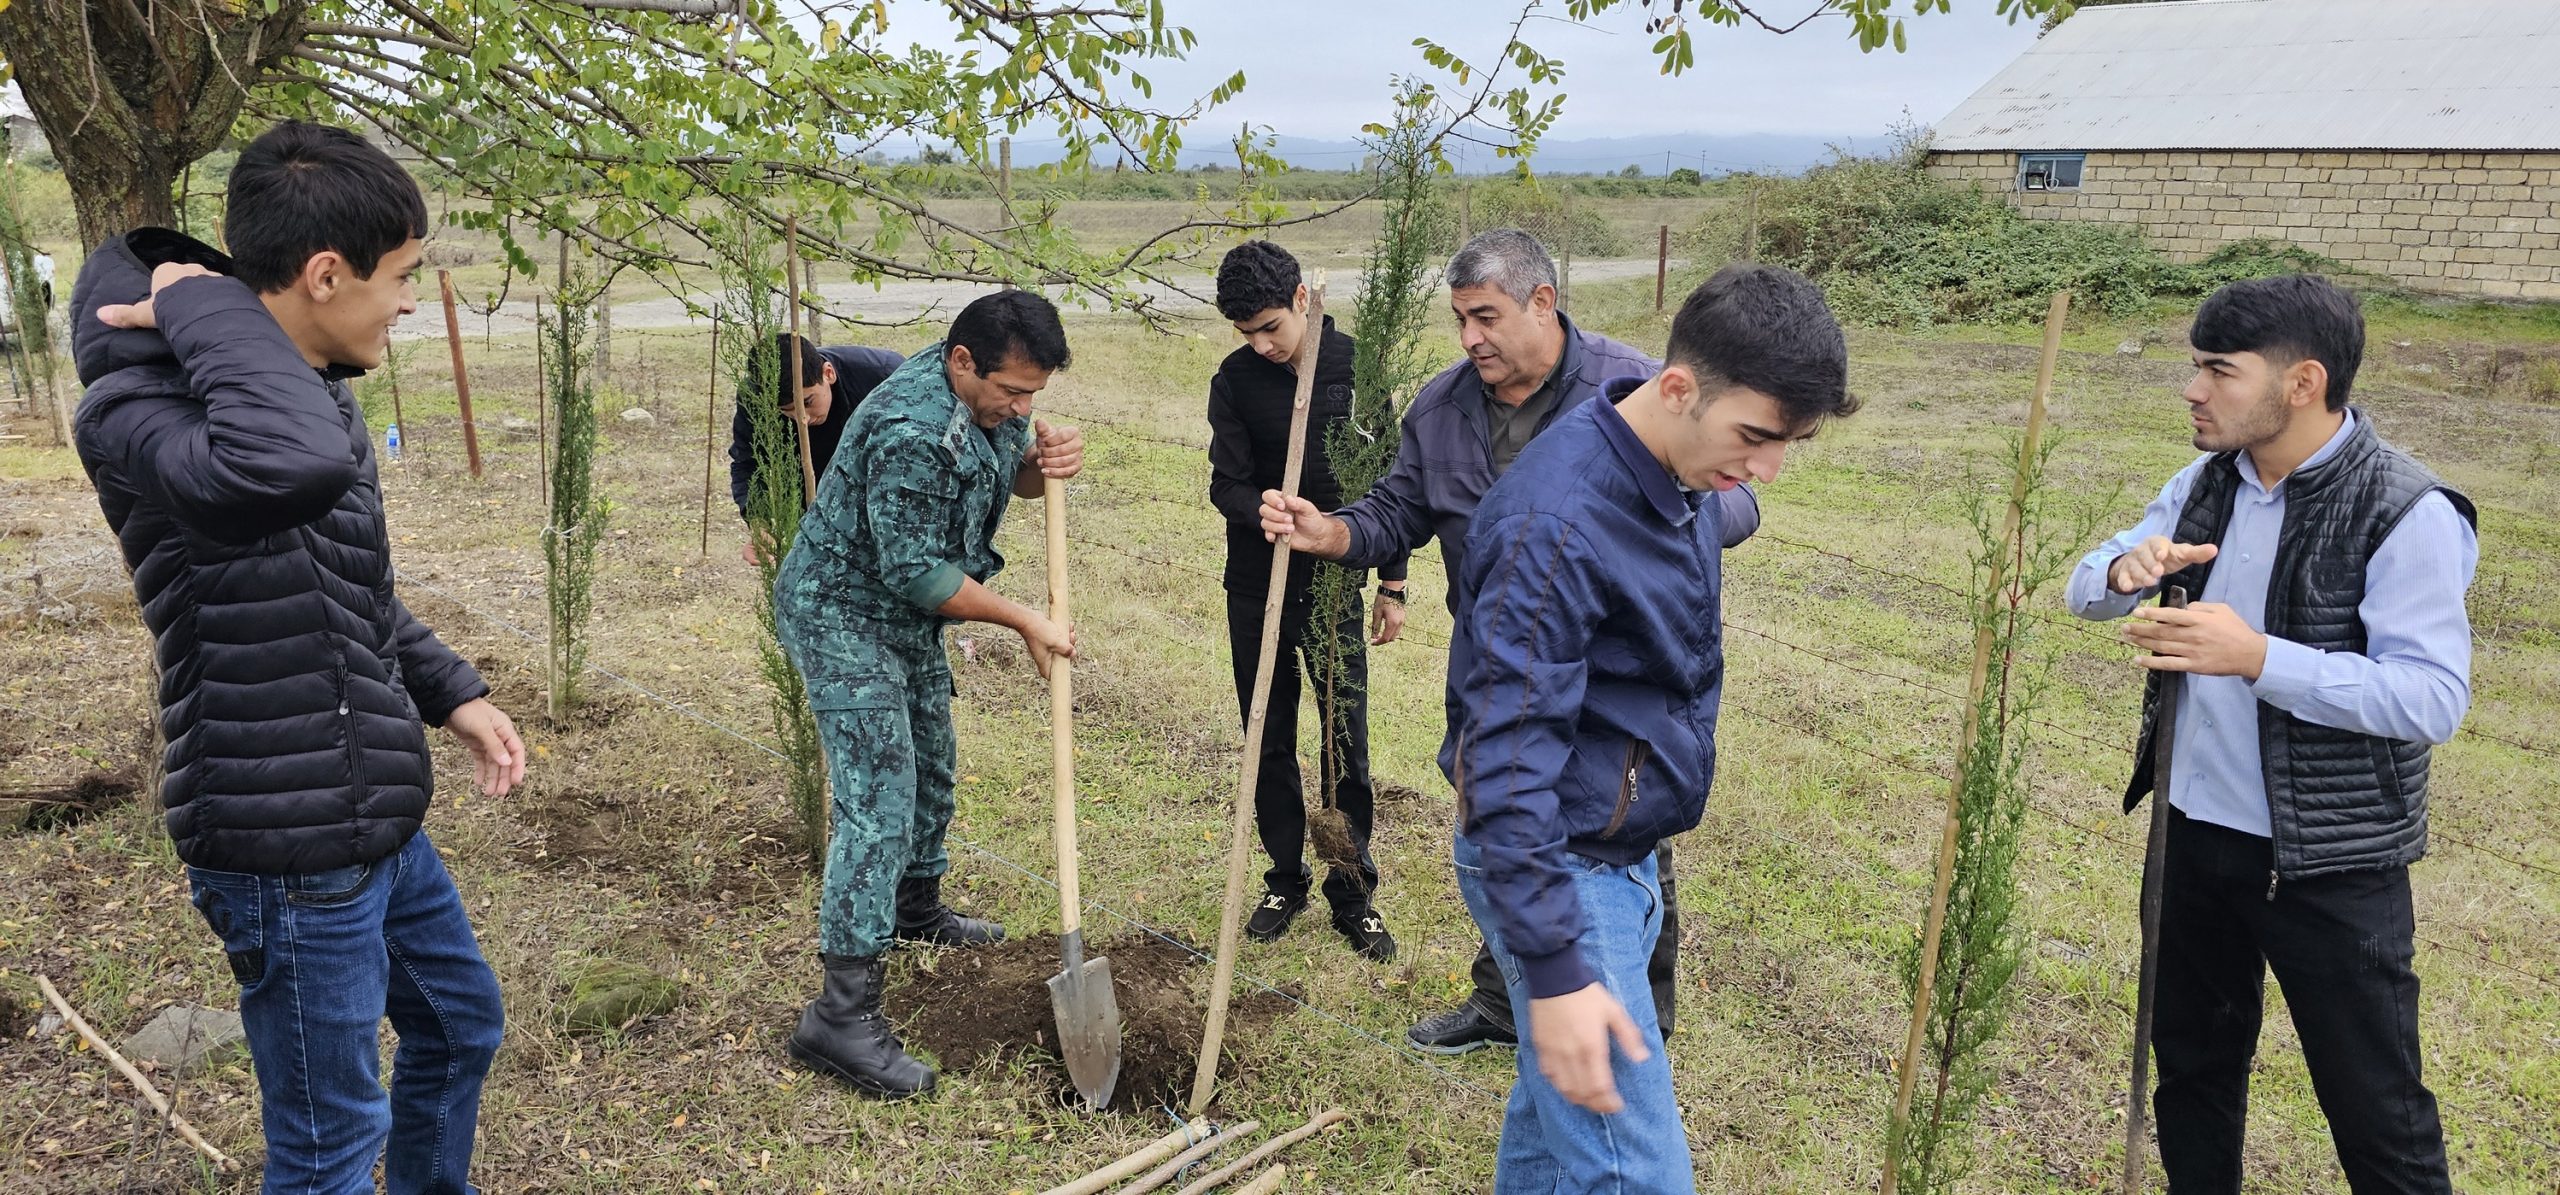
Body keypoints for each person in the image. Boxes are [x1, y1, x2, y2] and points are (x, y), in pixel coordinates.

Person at [72, 119, 526, 1194]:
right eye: (403, 275)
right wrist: (199, 301)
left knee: (461, 1027)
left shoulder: (301, 390)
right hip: (281, 841)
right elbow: (292, 468)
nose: (411, 301)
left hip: (366, 805)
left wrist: (450, 691)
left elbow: (343, 589)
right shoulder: (141, 410)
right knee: (328, 1143)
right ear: (326, 273)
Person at [1258, 229, 1760, 1054]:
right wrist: (1332, 533)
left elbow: (1732, 498)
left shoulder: (1632, 387)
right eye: (1459, 319)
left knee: (1624, 844)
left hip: (1617, 685)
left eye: (1484, 317)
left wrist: (1647, 532)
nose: (1469, 339)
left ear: (1542, 302)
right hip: (1505, 664)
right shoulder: (1442, 410)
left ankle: (1639, 1031)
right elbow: (1397, 513)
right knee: (1505, 829)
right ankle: (1506, 1004)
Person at [2068, 274, 2473, 1194]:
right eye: (2194, 366)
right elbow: (2087, 583)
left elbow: (2432, 697)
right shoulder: (2205, 482)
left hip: (2331, 862)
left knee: (2377, 1112)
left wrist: (2258, 657)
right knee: (2195, 1077)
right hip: (2193, 835)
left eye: (2219, 370)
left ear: (2302, 383)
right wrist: (2126, 569)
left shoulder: (2408, 510)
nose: (2193, 390)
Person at [1456, 264, 1853, 1190]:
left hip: (1620, 851)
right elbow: (1506, 769)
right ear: (1677, 389)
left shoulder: (1672, 476)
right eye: (1756, 436)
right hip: (1559, 861)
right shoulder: (1553, 524)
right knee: (1638, 1174)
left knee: (1556, 1128)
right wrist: (1554, 969)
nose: (1766, 470)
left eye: (1789, 442)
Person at [773, 288, 1084, 1099]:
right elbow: (915, 571)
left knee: (932, 764)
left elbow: (997, 473)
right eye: (1012, 391)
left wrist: (1036, 464)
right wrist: (1023, 620)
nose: (1020, 406)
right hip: (843, 608)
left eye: (1033, 396)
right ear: (960, 361)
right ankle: (840, 1016)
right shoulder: (912, 428)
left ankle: (916, 907)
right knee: (880, 796)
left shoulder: (985, 400)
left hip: (901, 613)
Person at [1206, 240, 1409, 961]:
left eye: (1270, 327)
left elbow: (1391, 483)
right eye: (1246, 334)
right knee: (1268, 731)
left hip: (1333, 585)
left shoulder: (1355, 368)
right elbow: (1222, 483)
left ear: (1301, 298)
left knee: (1343, 737)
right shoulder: (1233, 381)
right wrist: (1257, 503)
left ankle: (1352, 891)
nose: (1260, 345)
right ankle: (1284, 878)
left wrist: (1392, 579)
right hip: (1257, 585)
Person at [729, 332, 904, 563]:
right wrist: (759, 524)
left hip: (883, 499)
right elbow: (748, 463)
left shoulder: (884, 375)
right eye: (786, 411)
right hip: (807, 503)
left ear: (828, 373)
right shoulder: (756, 398)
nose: (802, 418)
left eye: (808, 402)